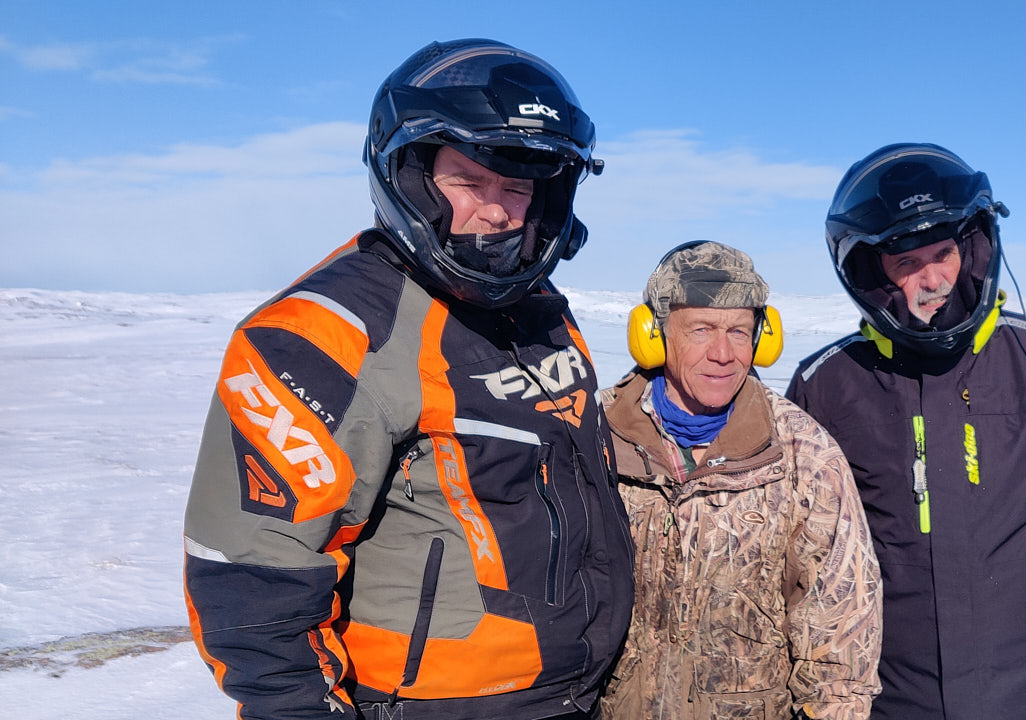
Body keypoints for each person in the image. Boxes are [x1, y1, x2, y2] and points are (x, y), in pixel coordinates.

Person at [182, 39, 633, 720]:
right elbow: (254, 576)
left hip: (573, 693)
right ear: (411, 174)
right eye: (468, 181)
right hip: (429, 703)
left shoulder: (541, 312)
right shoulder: (328, 336)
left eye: (517, 188)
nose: (498, 211)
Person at [785, 143, 1026, 720]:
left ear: (975, 248)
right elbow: (795, 550)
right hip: (888, 701)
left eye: (942, 254)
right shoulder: (829, 384)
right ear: (871, 273)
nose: (932, 280)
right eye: (905, 264)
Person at [597, 241, 883, 719]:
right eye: (701, 329)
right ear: (654, 334)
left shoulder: (801, 452)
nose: (723, 354)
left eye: (739, 332)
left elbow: (841, 631)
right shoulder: (594, 432)